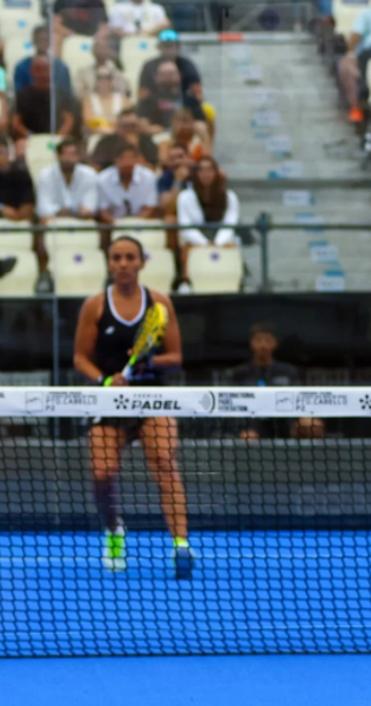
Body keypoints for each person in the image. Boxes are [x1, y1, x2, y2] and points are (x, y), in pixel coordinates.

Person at [72, 235, 195, 578]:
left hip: (151, 397)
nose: (123, 263)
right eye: (117, 258)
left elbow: (176, 358)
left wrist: (149, 363)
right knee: (102, 473)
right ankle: (114, 532)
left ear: (142, 262)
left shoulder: (160, 304)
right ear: (109, 263)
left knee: (165, 464)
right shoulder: (95, 306)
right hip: (110, 399)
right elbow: (81, 358)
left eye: (130, 257)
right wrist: (105, 381)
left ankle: (180, 545)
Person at [229, 323, 324, 441]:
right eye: (258, 340)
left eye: (267, 340)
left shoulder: (288, 371)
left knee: (312, 426)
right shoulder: (240, 373)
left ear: (275, 343)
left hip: (285, 423)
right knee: (248, 437)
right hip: (253, 425)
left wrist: (304, 418)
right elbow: (232, 406)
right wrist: (242, 430)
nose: (263, 345)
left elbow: (301, 400)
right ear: (251, 343)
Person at [176, 155, 239, 272]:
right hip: (196, 237)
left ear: (216, 172)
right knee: (187, 248)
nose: (206, 174)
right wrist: (204, 243)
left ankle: (235, 283)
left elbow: (230, 224)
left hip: (221, 237)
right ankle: (186, 283)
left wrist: (218, 243)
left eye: (210, 170)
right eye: (202, 170)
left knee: (231, 247)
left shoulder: (230, 196)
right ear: (196, 173)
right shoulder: (185, 196)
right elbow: (185, 226)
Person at [12, 55, 79, 153]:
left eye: (45, 69)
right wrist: (30, 136)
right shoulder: (23, 95)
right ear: (31, 71)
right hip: (30, 139)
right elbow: (16, 122)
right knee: (20, 146)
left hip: (57, 137)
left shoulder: (61, 94)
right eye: (38, 69)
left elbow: (69, 120)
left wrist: (57, 137)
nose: (42, 73)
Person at [36, 139, 98, 222]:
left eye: (73, 154)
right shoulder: (46, 175)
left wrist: (60, 211)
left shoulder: (89, 174)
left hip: (81, 223)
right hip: (54, 223)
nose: (70, 158)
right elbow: (43, 209)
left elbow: (90, 209)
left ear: (78, 156)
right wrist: (74, 210)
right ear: (58, 156)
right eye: (66, 154)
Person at [96, 143, 159, 224]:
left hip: (141, 224)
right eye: (123, 157)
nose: (127, 161)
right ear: (115, 160)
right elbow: (104, 211)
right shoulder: (103, 178)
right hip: (113, 225)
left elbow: (150, 208)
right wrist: (118, 225)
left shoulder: (148, 176)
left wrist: (133, 224)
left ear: (137, 159)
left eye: (131, 157)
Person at [136, 61, 205, 133]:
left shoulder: (190, 99)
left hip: (186, 137)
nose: (168, 77)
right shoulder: (148, 101)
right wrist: (149, 129)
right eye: (164, 74)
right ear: (157, 77)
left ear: (179, 75)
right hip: (158, 137)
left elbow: (201, 121)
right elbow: (141, 121)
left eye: (171, 73)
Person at [138, 30, 202, 101]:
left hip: (183, 105)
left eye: (171, 45)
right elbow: (143, 95)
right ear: (159, 47)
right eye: (166, 46)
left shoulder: (187, 65)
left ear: (178, 47)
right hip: (155, 105)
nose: (169, 50)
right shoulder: (149, 66)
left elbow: (198, 94)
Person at [91, 107, 159, 169]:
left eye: (132, 126)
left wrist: (135, 147)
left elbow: (152, 169)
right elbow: (95, 167)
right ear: (118, 127)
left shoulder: (146, 141)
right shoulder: (106, 142)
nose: (129, 130)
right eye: (125, 126)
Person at [13, 26, 73, 94]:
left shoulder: (61, 67)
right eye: (39, 40)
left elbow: (65, 94)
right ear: (33, 41)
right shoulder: (22, 66)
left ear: (50, 42)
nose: (42, 43)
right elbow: (19, 93)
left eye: (45, 40)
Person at [337, 7, 371, 122]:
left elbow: (356, 35)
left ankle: (356, 108)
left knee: (353, 76)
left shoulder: (366, 14)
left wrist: (350, 53)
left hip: (366, 53)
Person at [73, 36, 130, 101]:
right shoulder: (82, 72)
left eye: (104, 47)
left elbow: (123, 92)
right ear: (93, 51)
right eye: (98, 47)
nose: (101, 50)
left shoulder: (116, 73)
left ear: (109, 51)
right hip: (89, 106)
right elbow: (78, 94)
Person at [82, 67, 130, 135]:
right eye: (100, 79)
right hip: (97, 136)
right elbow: (89, 122)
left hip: (120, 135)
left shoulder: (123, 99)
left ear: (111, 81)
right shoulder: (89, 101)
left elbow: (128, 120)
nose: (104, 82)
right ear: (96, 81)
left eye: (107, 79)